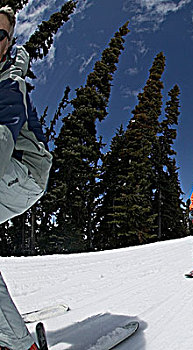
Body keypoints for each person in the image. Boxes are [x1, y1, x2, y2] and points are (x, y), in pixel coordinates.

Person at [0, 6, 51, 350]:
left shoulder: (9, 82)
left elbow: (3, 134)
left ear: (7, 43)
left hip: (24, 174)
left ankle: (19, 345)